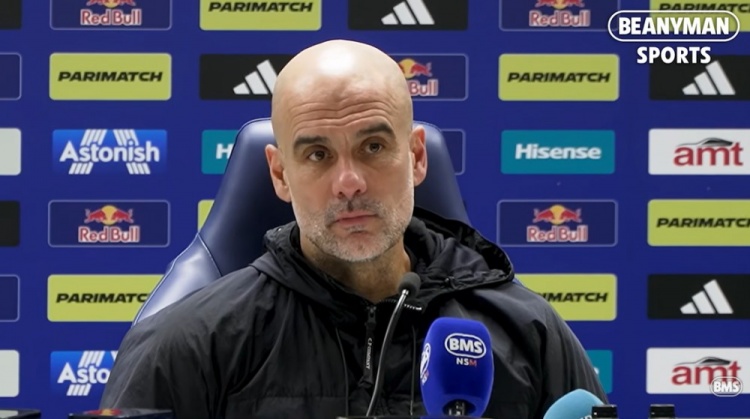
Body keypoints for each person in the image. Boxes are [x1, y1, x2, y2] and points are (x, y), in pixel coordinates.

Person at [100, 39, 607, 419]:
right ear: (280, 174)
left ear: (416, 157)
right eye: (318, 154)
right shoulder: (187, 345)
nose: (349, 183)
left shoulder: (528, 334)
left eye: (373, 147)